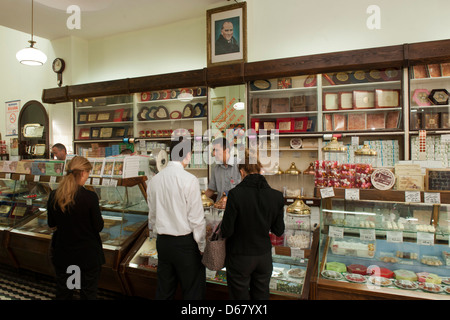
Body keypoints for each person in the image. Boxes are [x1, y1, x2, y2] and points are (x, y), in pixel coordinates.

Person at [221, 151, 285, 300]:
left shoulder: (235, 194)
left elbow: (227, 230)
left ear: (242, 172)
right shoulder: (276, 196)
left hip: (240, 257)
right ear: (259, 170)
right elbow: (278, 230)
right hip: (264, 257)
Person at [147, 136, 206, 300]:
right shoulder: (190, 180)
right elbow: (196, 220)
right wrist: (202, 246)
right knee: (192, 292)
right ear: (187, 154)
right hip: (185, 244)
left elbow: (152, 216)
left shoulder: (154, 181)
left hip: (163, 243)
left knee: (165, 291)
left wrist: (154, 234)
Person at [47, 156, 105, 300]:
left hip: (64, 252)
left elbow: (51, 224)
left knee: (65, 291)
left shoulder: (55, 195)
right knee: (88, 292)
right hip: (87, 255)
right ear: (84, 173)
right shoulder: (90, 197)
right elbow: (98, 227)